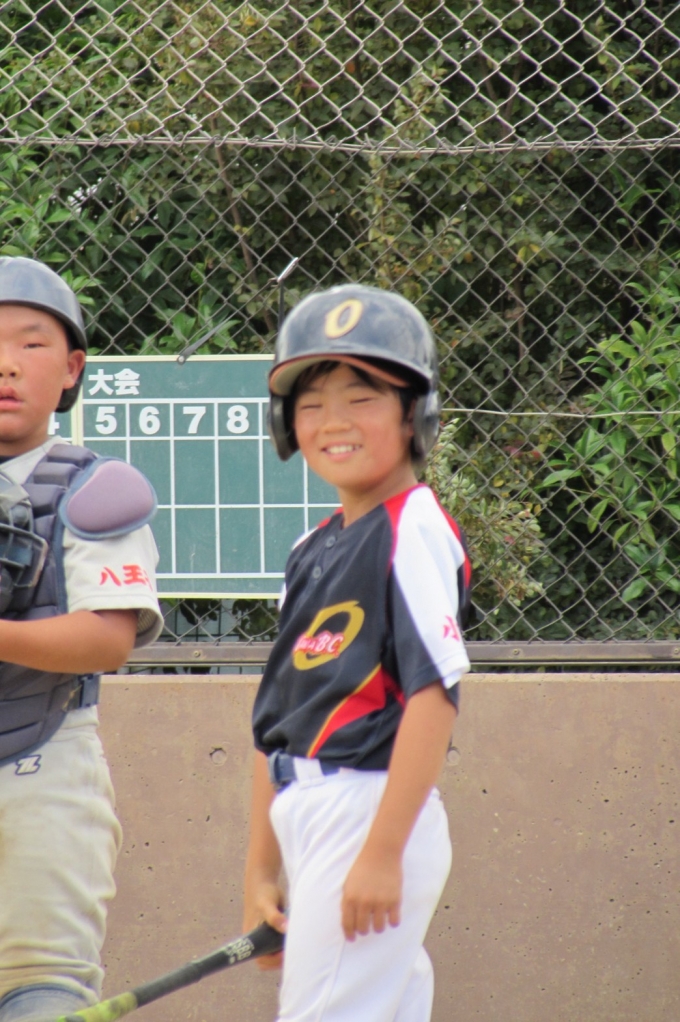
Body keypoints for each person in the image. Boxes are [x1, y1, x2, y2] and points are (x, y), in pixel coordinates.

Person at [243, 283, 472, 1022]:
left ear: (415, 415)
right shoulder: (312, 547)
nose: (333, 421)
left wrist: (381, 851)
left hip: (366, 807)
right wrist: (261, 869)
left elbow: (434, 695)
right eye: (311, 403)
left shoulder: (413, 526)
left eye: (362, 397)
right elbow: (277, 726)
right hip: (312, 811)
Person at [0, 257, 163, 1022]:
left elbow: (106, 639)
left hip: (41, 767)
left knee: (41, 990)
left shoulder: (93, 489)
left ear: (71, 369)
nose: (5, 364)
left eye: (30, 343)